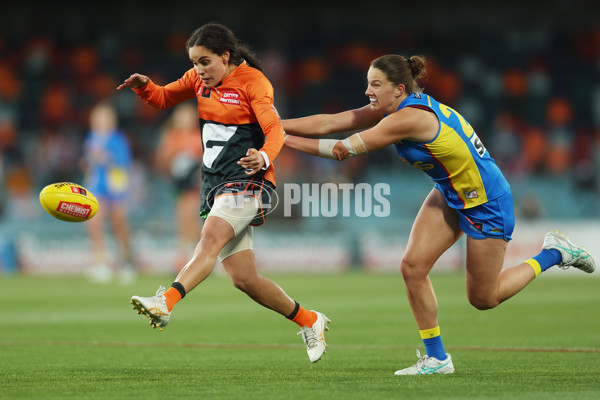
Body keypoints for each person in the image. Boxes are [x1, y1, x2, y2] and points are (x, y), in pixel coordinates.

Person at [282, 54, 596, 374]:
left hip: (486, 202)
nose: (368, 91)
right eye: (367, 83)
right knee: (413, 267)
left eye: (375, 84)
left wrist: (280, 139)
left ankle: (555, 252)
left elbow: (340, 149)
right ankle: (437, 359)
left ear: (399, 89)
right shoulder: (397, 107)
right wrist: (274, 125)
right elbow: (330, 123)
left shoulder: (408, 119)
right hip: (450, 192)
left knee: (484, 298)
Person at [117, 22, 330, 363]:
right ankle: (310, 320)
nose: (198, 70)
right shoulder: (198, 79)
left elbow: (274, 130)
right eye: (194, 62)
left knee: (209, 239)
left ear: (225, 56)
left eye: (205, 61)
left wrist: (262, 155)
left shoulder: (254, 84)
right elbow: (163, 98)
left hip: (248, 179)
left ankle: (165, 302)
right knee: (244, 279)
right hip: (216, 182)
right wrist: (145, 87)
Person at [82, 101, 137, 284]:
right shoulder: (91, 138)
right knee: (94, 222)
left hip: (115, 185)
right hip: (97, 185)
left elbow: (123, 163)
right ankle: (100, 261)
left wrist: (105, 158)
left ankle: (126, 260)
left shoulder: (119, 139)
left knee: (119, 224)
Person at [154, 103, 204, 271]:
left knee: (187, 216)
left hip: (195, 186)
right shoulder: (170, 137)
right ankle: (200, 254)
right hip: (178, 184)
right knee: (186, 219)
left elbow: (206, 162)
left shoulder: (198, 137)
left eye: (188, 117)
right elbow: (161, 162)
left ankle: (184, 256)